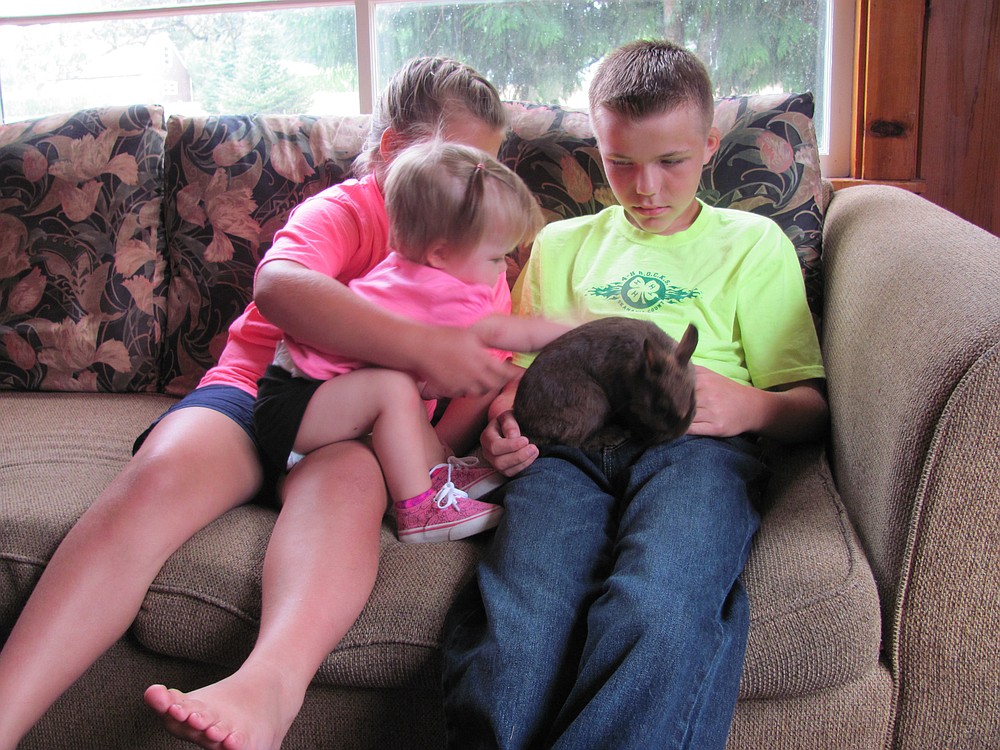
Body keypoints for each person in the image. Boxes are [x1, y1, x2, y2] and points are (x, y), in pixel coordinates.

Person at [0, 56, 518, 750]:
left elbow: (457, 418)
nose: (473, 199)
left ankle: (267, 690)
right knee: (157, 481)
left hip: (357, 441)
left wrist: (486, 438)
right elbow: (281, 287)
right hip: (254, 396)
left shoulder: (485, 265)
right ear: (393, 150)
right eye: (460, 168)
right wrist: (419, 347)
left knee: (351, 485)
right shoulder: (349, 209)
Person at [442, 39, 829, 750]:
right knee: (522, 622)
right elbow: (519, 376)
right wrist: (503, 422)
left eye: (671, 161)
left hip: (696, 450)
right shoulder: (561, 245)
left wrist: (753, 407)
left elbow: (809, 406)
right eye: (621, 162)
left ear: (710, 145)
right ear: (598, 146)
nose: (645, 186)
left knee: (656, 609)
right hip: (567, 450)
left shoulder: (753, 243)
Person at [254, 139, 568, 544]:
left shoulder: (413, 267)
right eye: (495, 258)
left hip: (311, 399)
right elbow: (508, 335)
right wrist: (571, 333)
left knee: (407, 387)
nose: (503, 269)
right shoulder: (446, 294)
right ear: (439, 253)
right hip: (295, 406)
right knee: (395, 388)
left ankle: (438, 471)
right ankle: (418, 510)